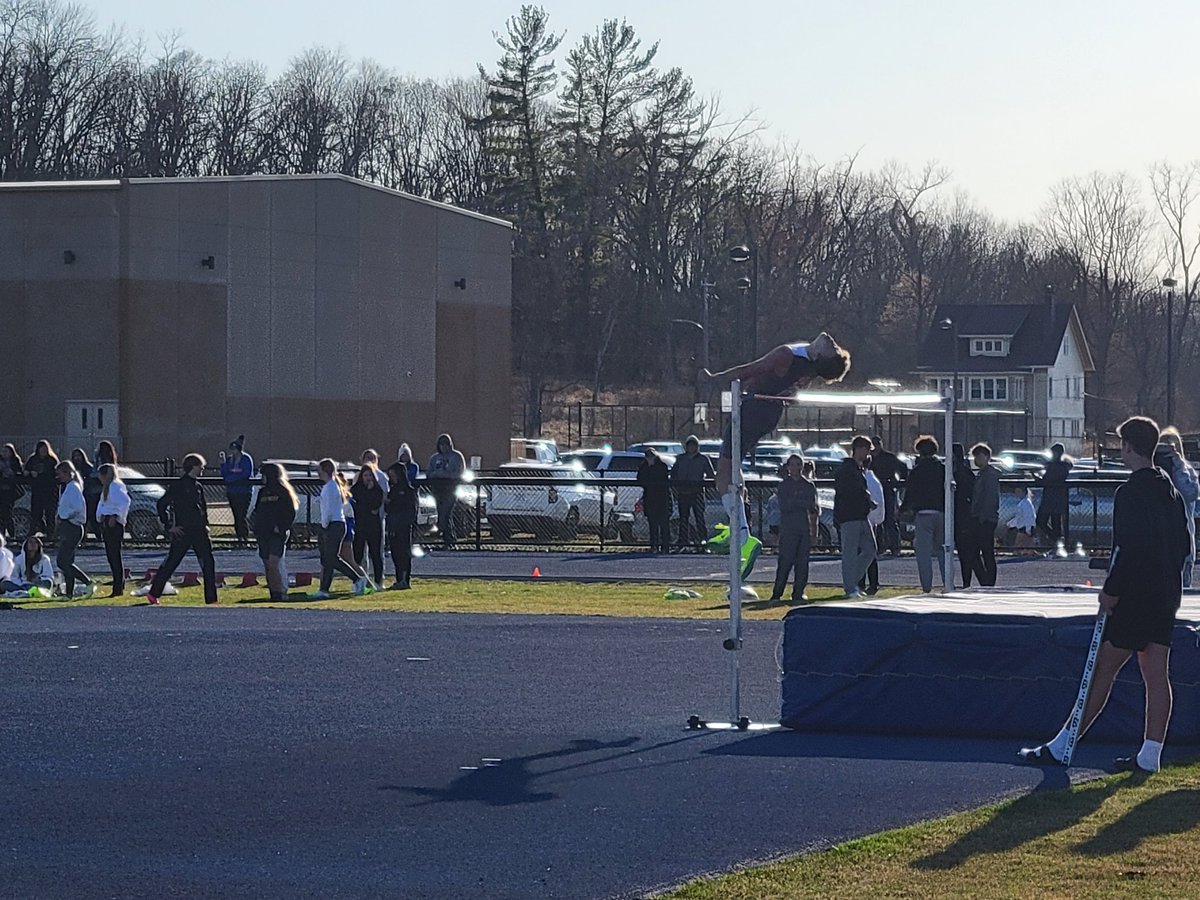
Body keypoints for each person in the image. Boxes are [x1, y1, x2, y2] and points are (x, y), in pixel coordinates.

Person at [1020, 416, 1192, 772]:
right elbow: (1183, 545)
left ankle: (1064, 743)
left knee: (1103, 671)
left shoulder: (1130, 492)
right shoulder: (1170, 491)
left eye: (1123, 446)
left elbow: (1127, 548)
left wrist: (1111, 592)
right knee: (1156, 674)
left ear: (1130, 447)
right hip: (1164, 594)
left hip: (1136, 597)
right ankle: (1150, 755)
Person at [703, 333, 851, 578]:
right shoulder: (809, 366)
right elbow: (791, 394)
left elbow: (749, 370)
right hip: (768, 411)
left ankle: (741, 535)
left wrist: (714, 379)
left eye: (832, 346)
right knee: (734, 467)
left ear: (819, 355)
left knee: (724, 472)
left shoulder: (788, 355)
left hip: (754, 409)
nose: (831, 339)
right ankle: (738, 524)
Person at [147, 453, 219, 606]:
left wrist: (205, 524)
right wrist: (169, 526)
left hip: (199, 532)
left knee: (208, 563)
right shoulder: (179, 485)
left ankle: (211, 599)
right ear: (193, 466)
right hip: (184, 531)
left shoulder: (198, 486)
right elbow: (162, 504)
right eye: (201, 466)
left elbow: (202, 508)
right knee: (172, 562)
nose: (203, 469)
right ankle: (154, 593)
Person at [310, 458, 370, 599]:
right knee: (327, 559)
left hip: (334, 525)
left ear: (324, 471)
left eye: (319, 470)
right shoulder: (331, 486)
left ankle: (357, 579)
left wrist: (324, 526)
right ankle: (324, 589)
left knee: (331, 558)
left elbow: (328, 511)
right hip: (336, 524)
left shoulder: (329, 488)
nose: (318, 474)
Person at [900, 435, 947, 593]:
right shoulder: (942, 469)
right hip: (941, 512)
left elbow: (910, 493)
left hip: (923, 513)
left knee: (924, 553)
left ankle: (927, 586)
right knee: (943, 550)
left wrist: (904, 509)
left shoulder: (917, 471)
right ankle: (948, 583)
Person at [770, 455, 818, 603]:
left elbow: (812, 506)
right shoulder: (784, 485)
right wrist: (798, 502)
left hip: (803, 528)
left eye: (798, 464)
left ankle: (798, 592)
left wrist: (796, 501)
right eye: (792, 465)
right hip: (788, 528)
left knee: (802, 563)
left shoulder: (808, 486)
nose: (795, 468)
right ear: (788, 467)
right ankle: (777, 593)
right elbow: (784, 506)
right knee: (785, 561)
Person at [834, 436, 877, 598]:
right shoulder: (847, 470)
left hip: (861, 515)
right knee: (849, 552)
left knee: (870, 549)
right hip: (849, 515)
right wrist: (866, 499)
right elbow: (849, 493)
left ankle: (852, 581)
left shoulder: (859, 470)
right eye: (866, 450)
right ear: (858, 449)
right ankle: (850, 587)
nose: (867, 454)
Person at [1155, 429, 1198, 588]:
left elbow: (1190, 493)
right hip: (1159, 542)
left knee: (1182, 589)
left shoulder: (1186, 472)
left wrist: (1178, 465)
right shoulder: (1153, 473)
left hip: (1183, 541)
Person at [253, 462, 298, 602]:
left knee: (274, 563)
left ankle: (280, 593)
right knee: (266, 564)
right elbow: (258, 512)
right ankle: (273, 592)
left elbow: (290, 512)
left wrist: (281, 526)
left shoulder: (283, 492)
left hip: (277, 534)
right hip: (263, 533)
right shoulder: (262, 492)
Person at [54, 460, 93, 599]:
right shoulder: (68, 487)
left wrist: (64, 515)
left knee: (62, 561)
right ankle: (69, 593)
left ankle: (88, 582)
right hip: (68, 526)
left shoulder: (73, 488)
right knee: (68, 562)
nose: (59, 477)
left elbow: (77, 508)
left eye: (60, 474)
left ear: (67, 473)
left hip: (72, 526)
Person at [671, 436, 714, 552]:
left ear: (697, 447)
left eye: (694, 445)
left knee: (700, 518)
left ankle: (702, 542)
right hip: (683, 493)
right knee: (683, 519)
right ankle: (683, 542)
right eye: (689, 445)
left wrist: (702, 483)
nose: (691, 447)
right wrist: (677, 486)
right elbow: (673, 474)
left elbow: (711, 475)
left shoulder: (703, 459)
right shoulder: (680, 459)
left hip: (697, 493)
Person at [95, 464, 131, 596]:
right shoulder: (107, 487)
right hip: (106, 521)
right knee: (111, 556)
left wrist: (115, 516)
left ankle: (118, 587)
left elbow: (124, 501)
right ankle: (117, 586)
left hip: (113, 524)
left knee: (115, 555)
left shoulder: (115, 486)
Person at [969, 443, 1000, 587]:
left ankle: (989, 582)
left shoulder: (990, 475)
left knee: (986, 552)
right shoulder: (982, 474)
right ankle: (985, 581)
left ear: (987, 457)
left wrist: (982, 517)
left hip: (986, 519)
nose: (976, 460)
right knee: (977, 552)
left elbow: (989, 498)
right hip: (981, 518)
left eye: (979, 456)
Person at [427, 433, 466, 548]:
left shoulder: (456, 456)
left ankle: (449, 541)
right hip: (437, 491)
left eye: (445, 444)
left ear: (450, 445)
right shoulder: (434, 458)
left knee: (445, 515)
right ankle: (449, 541)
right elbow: (429, 473)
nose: (443, 447)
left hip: (451, 491)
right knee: (442, 516)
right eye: (441, 444)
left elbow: (458, 474)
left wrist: (442, 474)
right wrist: (438, 475)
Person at [385, 462, 419, 589]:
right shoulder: (393, 490)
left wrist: (404, 522)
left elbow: (411, 510)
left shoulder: (408, 491)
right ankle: (399, 578)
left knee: (404, 553)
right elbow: (389, 508)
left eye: (394, 475)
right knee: (395, 553)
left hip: (403, 526)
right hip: (393, 525)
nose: (392, 478)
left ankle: (405, 579)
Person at [870, 436, 905, 557]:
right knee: (876, 519)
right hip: (874, 490)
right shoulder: (869, 459)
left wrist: (898, 482)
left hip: (887, 489)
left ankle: (895, 547)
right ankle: (879, 546)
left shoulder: (889, 457)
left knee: (889, 519)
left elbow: (903, 468)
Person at [351, 463, 386, 586]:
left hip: (374, 526)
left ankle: (378, 581)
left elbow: (375, 505)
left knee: (376, 554)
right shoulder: (356, 489)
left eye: (370, 475)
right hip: (360, 526)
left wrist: (371, 491)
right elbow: (358, 504)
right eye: (365, 475)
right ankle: (358, 580)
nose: (368, 478)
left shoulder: (377, 490)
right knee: (357, 554)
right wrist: (367, 502)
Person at [1037, 443, 1073, 554]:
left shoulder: (1056, 467)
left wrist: (1037, 478)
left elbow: (1046, 480)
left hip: (1050, 498)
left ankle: (1056, 541)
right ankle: (1057, 543)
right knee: (1055, 523)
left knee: (1042, 521)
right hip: (1057, 498)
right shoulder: (1062, 466)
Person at [636, 447, 672, 554]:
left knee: (664, 524)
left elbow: (662, 478)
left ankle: (665, 547)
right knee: (652, 524)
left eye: (651, 456)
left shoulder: (662, 466)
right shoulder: (643, 466)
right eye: (648, 456)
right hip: (650, 498)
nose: (650, 458)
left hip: (662, 498)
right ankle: (654, 545)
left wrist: (651, 468)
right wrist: (648, 467)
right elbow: (640, 479)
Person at [220, 435, 254, 544]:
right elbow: (225, 474)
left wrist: (232, 478)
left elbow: (246, 474)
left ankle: (244, 537)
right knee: (236, 515)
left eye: (234, 449)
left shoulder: (246, 459)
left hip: (244, 492)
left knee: (241, 515)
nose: (233, 451)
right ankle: (239, 537)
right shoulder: (230, 460)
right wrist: (223, 463)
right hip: (232, 492)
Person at [951, 443, 976, 588]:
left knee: (963, 551)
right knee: (965, 552)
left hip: (960, 514)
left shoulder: (956, 472)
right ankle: (966, 582)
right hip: (964, 514)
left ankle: (965, 582)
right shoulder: (966, 471)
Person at [24, 440, 59, 538]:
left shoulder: (52, 460)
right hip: (37, 490)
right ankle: (36, 530)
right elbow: (26, 470)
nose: (43, 451)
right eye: (41, 449)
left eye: (45, 449)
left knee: (50, 513)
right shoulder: (33, 459)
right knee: (36, 512)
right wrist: (30, 473)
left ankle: (50, 534)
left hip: (50, 491)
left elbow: (55, 474)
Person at [860, 463, 886, 595]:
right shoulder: (873, 480)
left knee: (866, 553)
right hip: (870, 520)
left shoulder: (868, 480)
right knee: (868, 553)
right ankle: (869, 583)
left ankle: (867, 583)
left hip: (866, 521)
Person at [71, 447, 99, 540]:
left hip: (88, 496)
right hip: (76, 497)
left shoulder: (88, 468)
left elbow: (91, 481)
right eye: (75, 457)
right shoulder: (72, 469)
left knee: (91, 517)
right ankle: (82, 538)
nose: (77, 459)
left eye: (78, 456)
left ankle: (99, 537)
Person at [0, 443, 25, 541]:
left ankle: (11, 534)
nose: (4, 453)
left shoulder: (15, 461)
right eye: (3, 451)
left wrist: (12, 474)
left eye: (6, 451)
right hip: (1, 490)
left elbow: (20, 474)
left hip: (10, 492)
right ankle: (2, 535)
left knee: (8, 513)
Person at [1006, 484, 1037, 555]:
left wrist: (1028, 529)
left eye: (1019, 491)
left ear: (1024, 492)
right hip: (1024, 528)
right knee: (1027, 547)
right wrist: (1010, 524)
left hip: (1025, 529)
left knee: (1019, 548)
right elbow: (1019, 518)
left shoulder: (1026, 503)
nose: (1017, 493)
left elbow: (1029, 517)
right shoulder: (1023, 503)